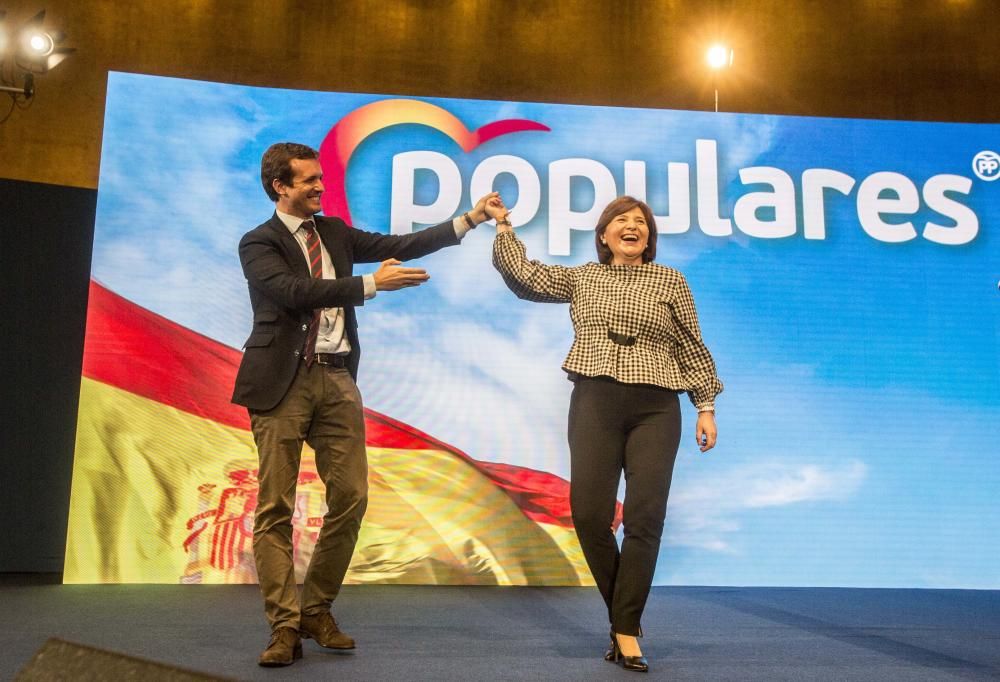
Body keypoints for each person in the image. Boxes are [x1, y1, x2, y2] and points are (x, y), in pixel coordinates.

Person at [232, 141, 497, 667]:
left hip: (336, 381)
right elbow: (294, 290)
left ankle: (316, 609)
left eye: (320, 178)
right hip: (280, 383)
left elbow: (401, 242)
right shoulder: (257, 243)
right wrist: (373, 284)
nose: (320, 187)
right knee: (275, 509)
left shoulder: (332, 232)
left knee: (351, 498)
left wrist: (469, 219)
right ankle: (283, 627)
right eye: (307, 180)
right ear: (280, 187)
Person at [489, 195, 722, 673]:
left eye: (642, 222)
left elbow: (691, 344)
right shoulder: (583, 277)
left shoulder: (671, 280)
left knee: (645, 517)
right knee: (590, 515)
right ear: (603, 235)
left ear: (650, 238)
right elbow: (526, 278)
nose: (632, 226)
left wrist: (706, 405)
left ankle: (626, 630)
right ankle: (623, 618)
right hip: (596, 398)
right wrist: (503, 228)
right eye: (622, 220)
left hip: (657, 405)